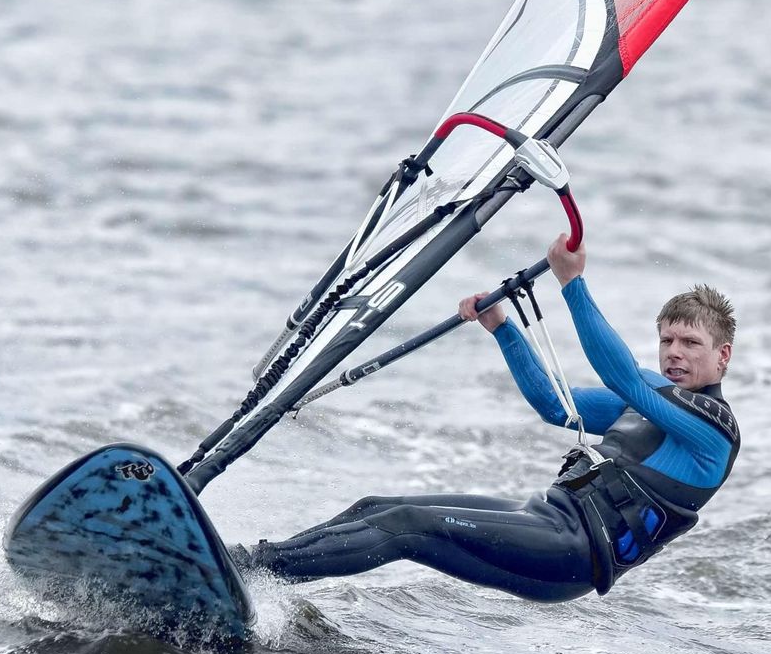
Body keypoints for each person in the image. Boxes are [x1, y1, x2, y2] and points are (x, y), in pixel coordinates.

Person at [232, 235, 740, 600]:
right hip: (546, 517)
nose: (675, 352)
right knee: (377, 507)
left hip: (572, 554)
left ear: (722, 357)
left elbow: (622, 377)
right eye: (667, 340)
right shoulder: (653, 393)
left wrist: (573, 284)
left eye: (691, 343)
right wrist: (502, 327)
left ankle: (251, 569)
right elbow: (554, 405)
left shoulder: (713, 433)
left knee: (405, 526)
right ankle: (258, 573)